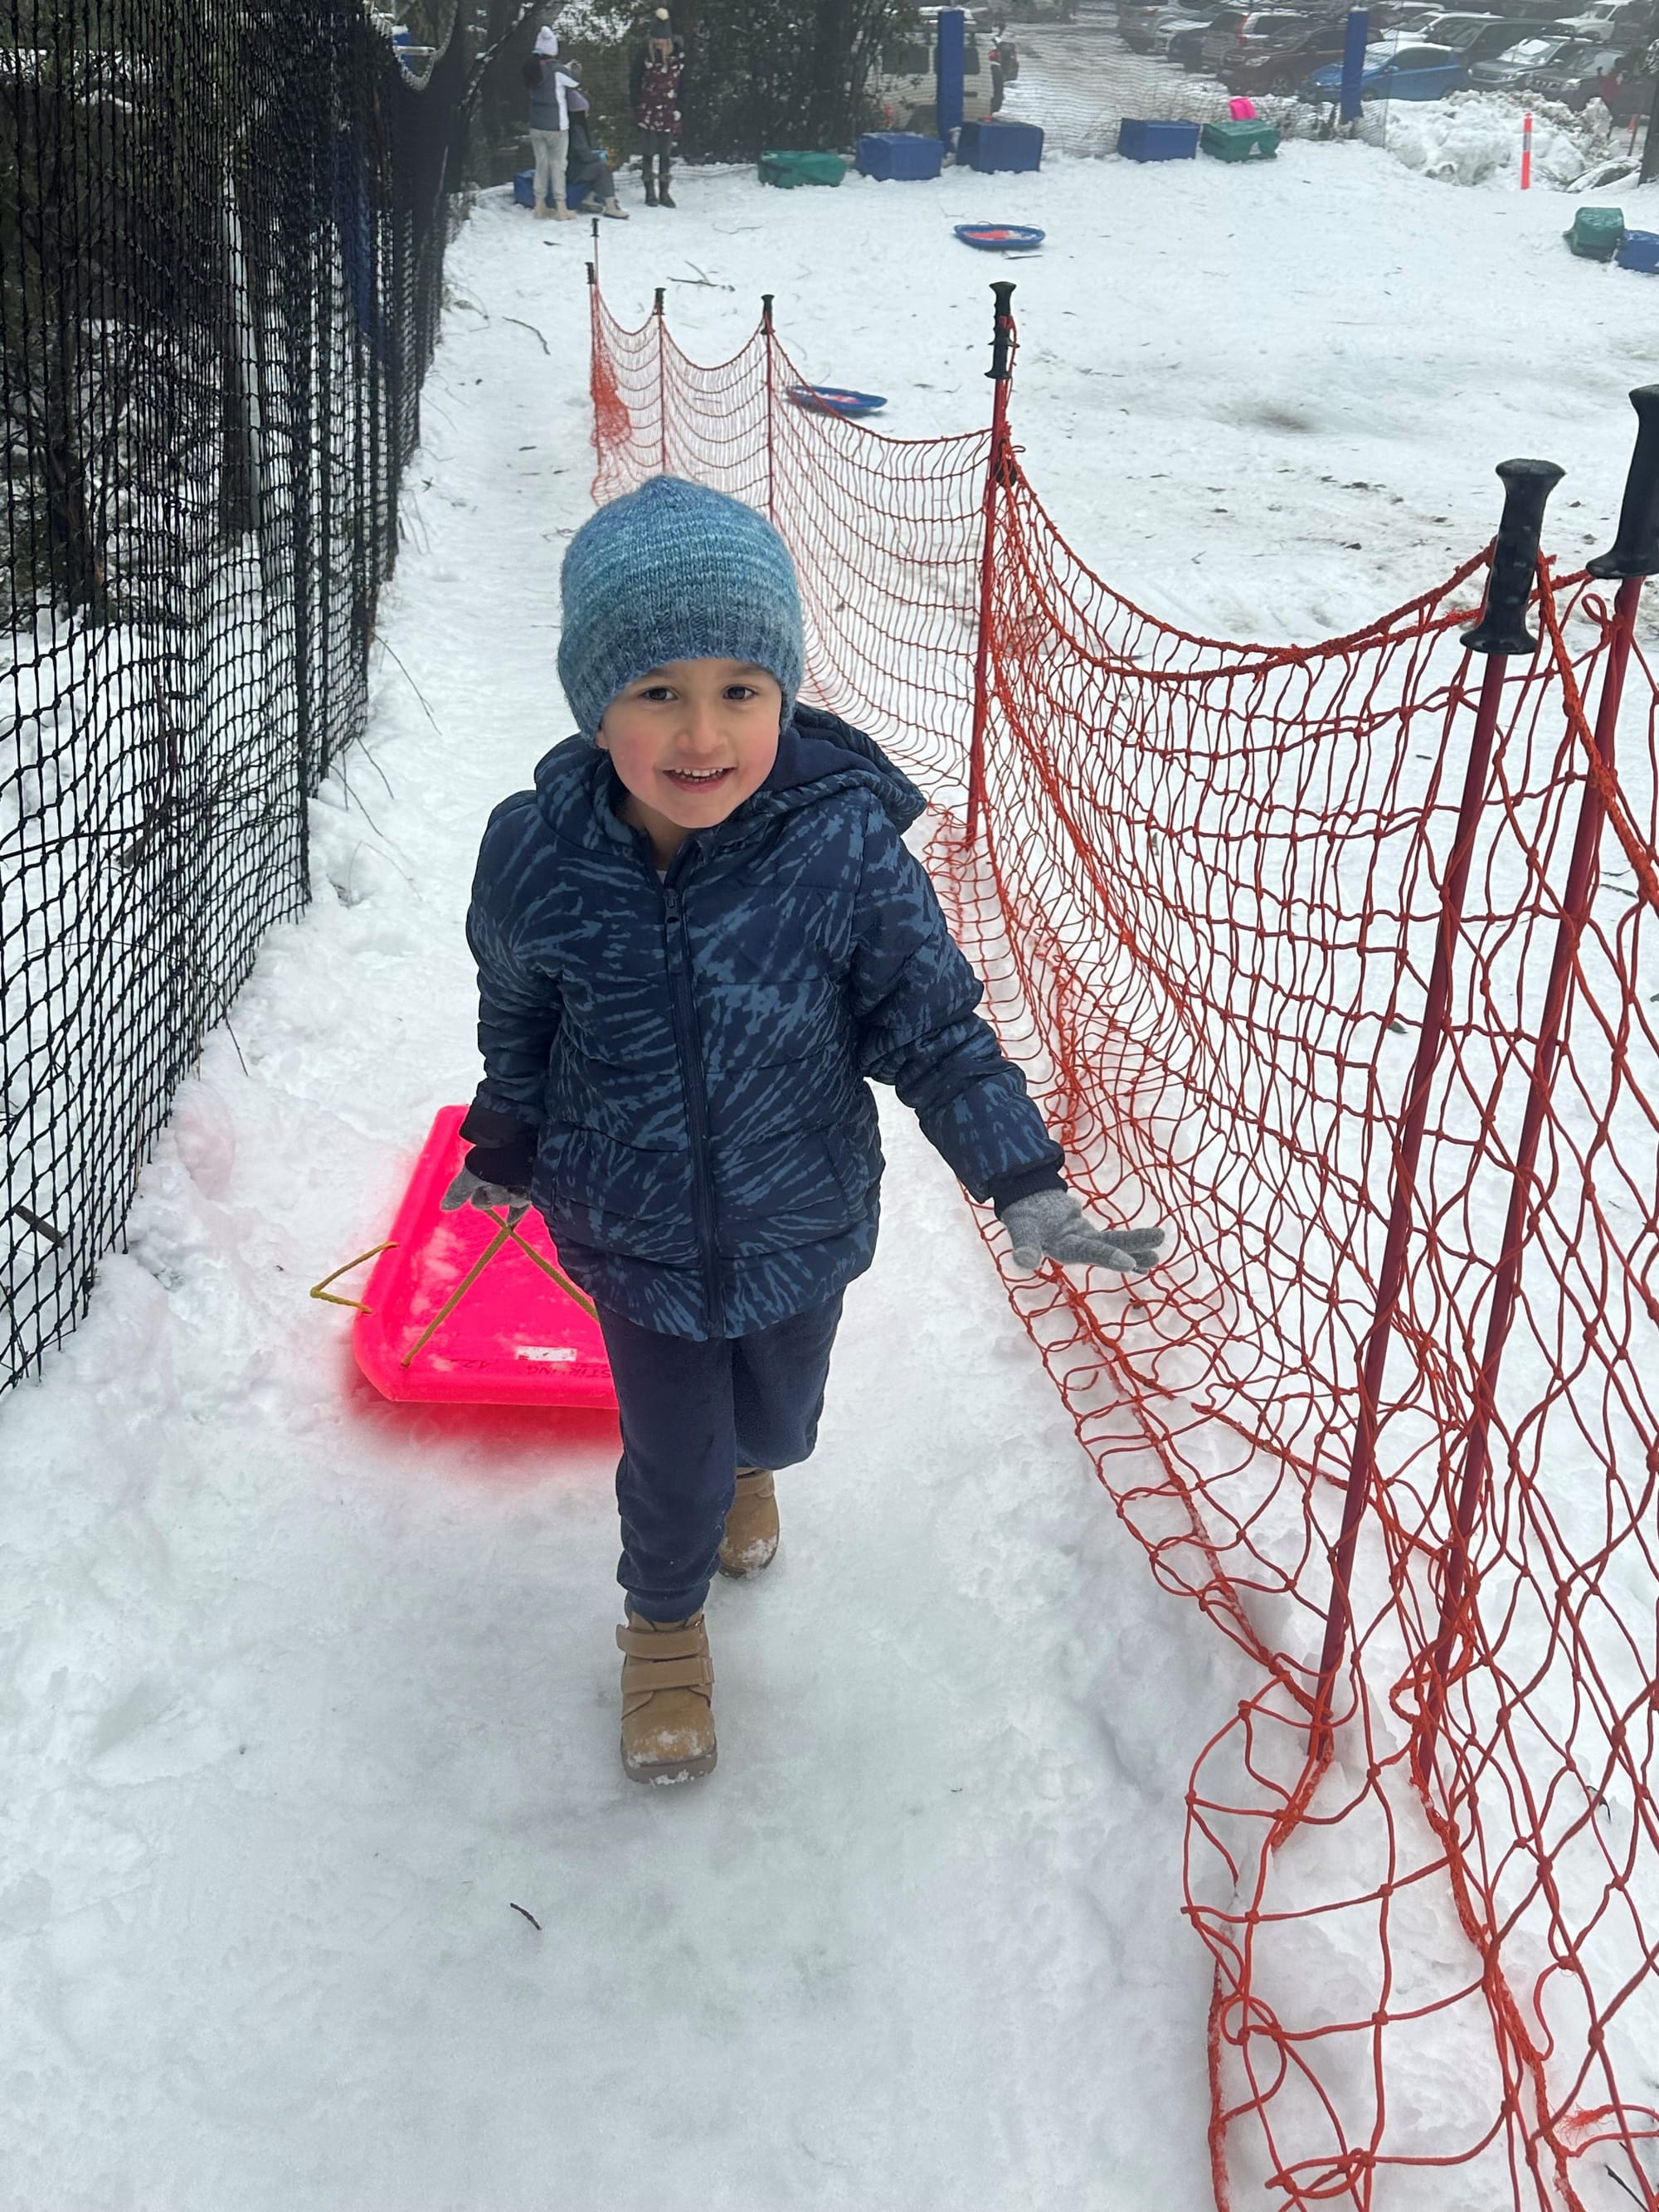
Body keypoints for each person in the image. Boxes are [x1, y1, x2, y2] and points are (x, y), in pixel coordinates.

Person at [445, 478, 1167, 1786]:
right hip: (633, 1227)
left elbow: (934, 1026)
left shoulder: (839, 852)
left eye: (741, 689)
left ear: (784, 694)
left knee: (776, 1427)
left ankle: (751, 1466)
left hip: (799, 1213)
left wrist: (1021, 1174)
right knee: (674, 1460)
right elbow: (521, 1012)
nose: (702, 731)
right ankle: (663, 1628)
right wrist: (504, 1135)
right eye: (657, 690)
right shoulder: (540, 858)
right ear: (595, 704)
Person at [630, 7, 685, 208]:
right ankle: (649, 192)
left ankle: (664, 192)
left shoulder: (678, 57)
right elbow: (634, 81)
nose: (658, 43)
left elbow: (684, 85)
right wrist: (636, 105)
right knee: (648, 151)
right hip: (648, 110)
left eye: (661, 39)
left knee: (665, 153)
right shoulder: (644, 56)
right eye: (655, 39)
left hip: (669, 111)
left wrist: (681, 107)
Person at [562, 61, 628, 220]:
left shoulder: (569, 122)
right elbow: (584, 155)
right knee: (602, 168)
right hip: (573, 170)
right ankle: (611, 206)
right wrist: (600, 156)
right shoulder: (577, 128)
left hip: (570, 167)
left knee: (597, 165)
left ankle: (588, 198)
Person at [521, 26, 575, 221]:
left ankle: (540, 205)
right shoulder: (557, 70)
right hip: (556, 126)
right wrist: (571, 68)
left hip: (536, 125)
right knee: (558, 165)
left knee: (541, 164)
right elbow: (574, 82)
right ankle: (561, 207)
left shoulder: (531, 68)